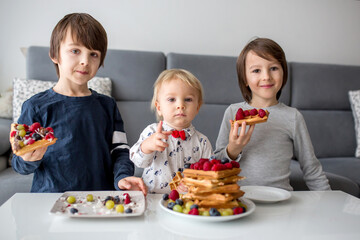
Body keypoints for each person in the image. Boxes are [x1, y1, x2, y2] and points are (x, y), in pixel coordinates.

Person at [11, 13, 147, 195]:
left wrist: (122, 177)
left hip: (99, 200)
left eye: (93, 54)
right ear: (54, 54)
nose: (85, 61)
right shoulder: (35, 106)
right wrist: (28, 159)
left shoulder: (108, 105)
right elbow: (19, 164)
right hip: (50, 200)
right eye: (75, 51)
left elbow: (120, 150)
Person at [214, 37, 330, 191]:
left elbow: (311, 167)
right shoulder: (233, 112)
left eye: (273, 68)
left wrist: (327, 200)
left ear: (284, 72)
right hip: (239, 200)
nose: (266, 76)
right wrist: (233, 149)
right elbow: (216, 164)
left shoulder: (293, 117)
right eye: (256, 70)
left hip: (279, 199)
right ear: (245, 79)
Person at [130, 69, 213, 193]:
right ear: (159, 108)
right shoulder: (152, 132)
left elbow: (210, 175)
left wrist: (197, 184)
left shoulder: (202, 142)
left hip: (187, 202)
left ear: (197, 107)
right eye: (171, 99)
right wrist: (147, 146)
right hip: (153, 198)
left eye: (188, 99)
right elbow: (138, 162)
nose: (180, 105)